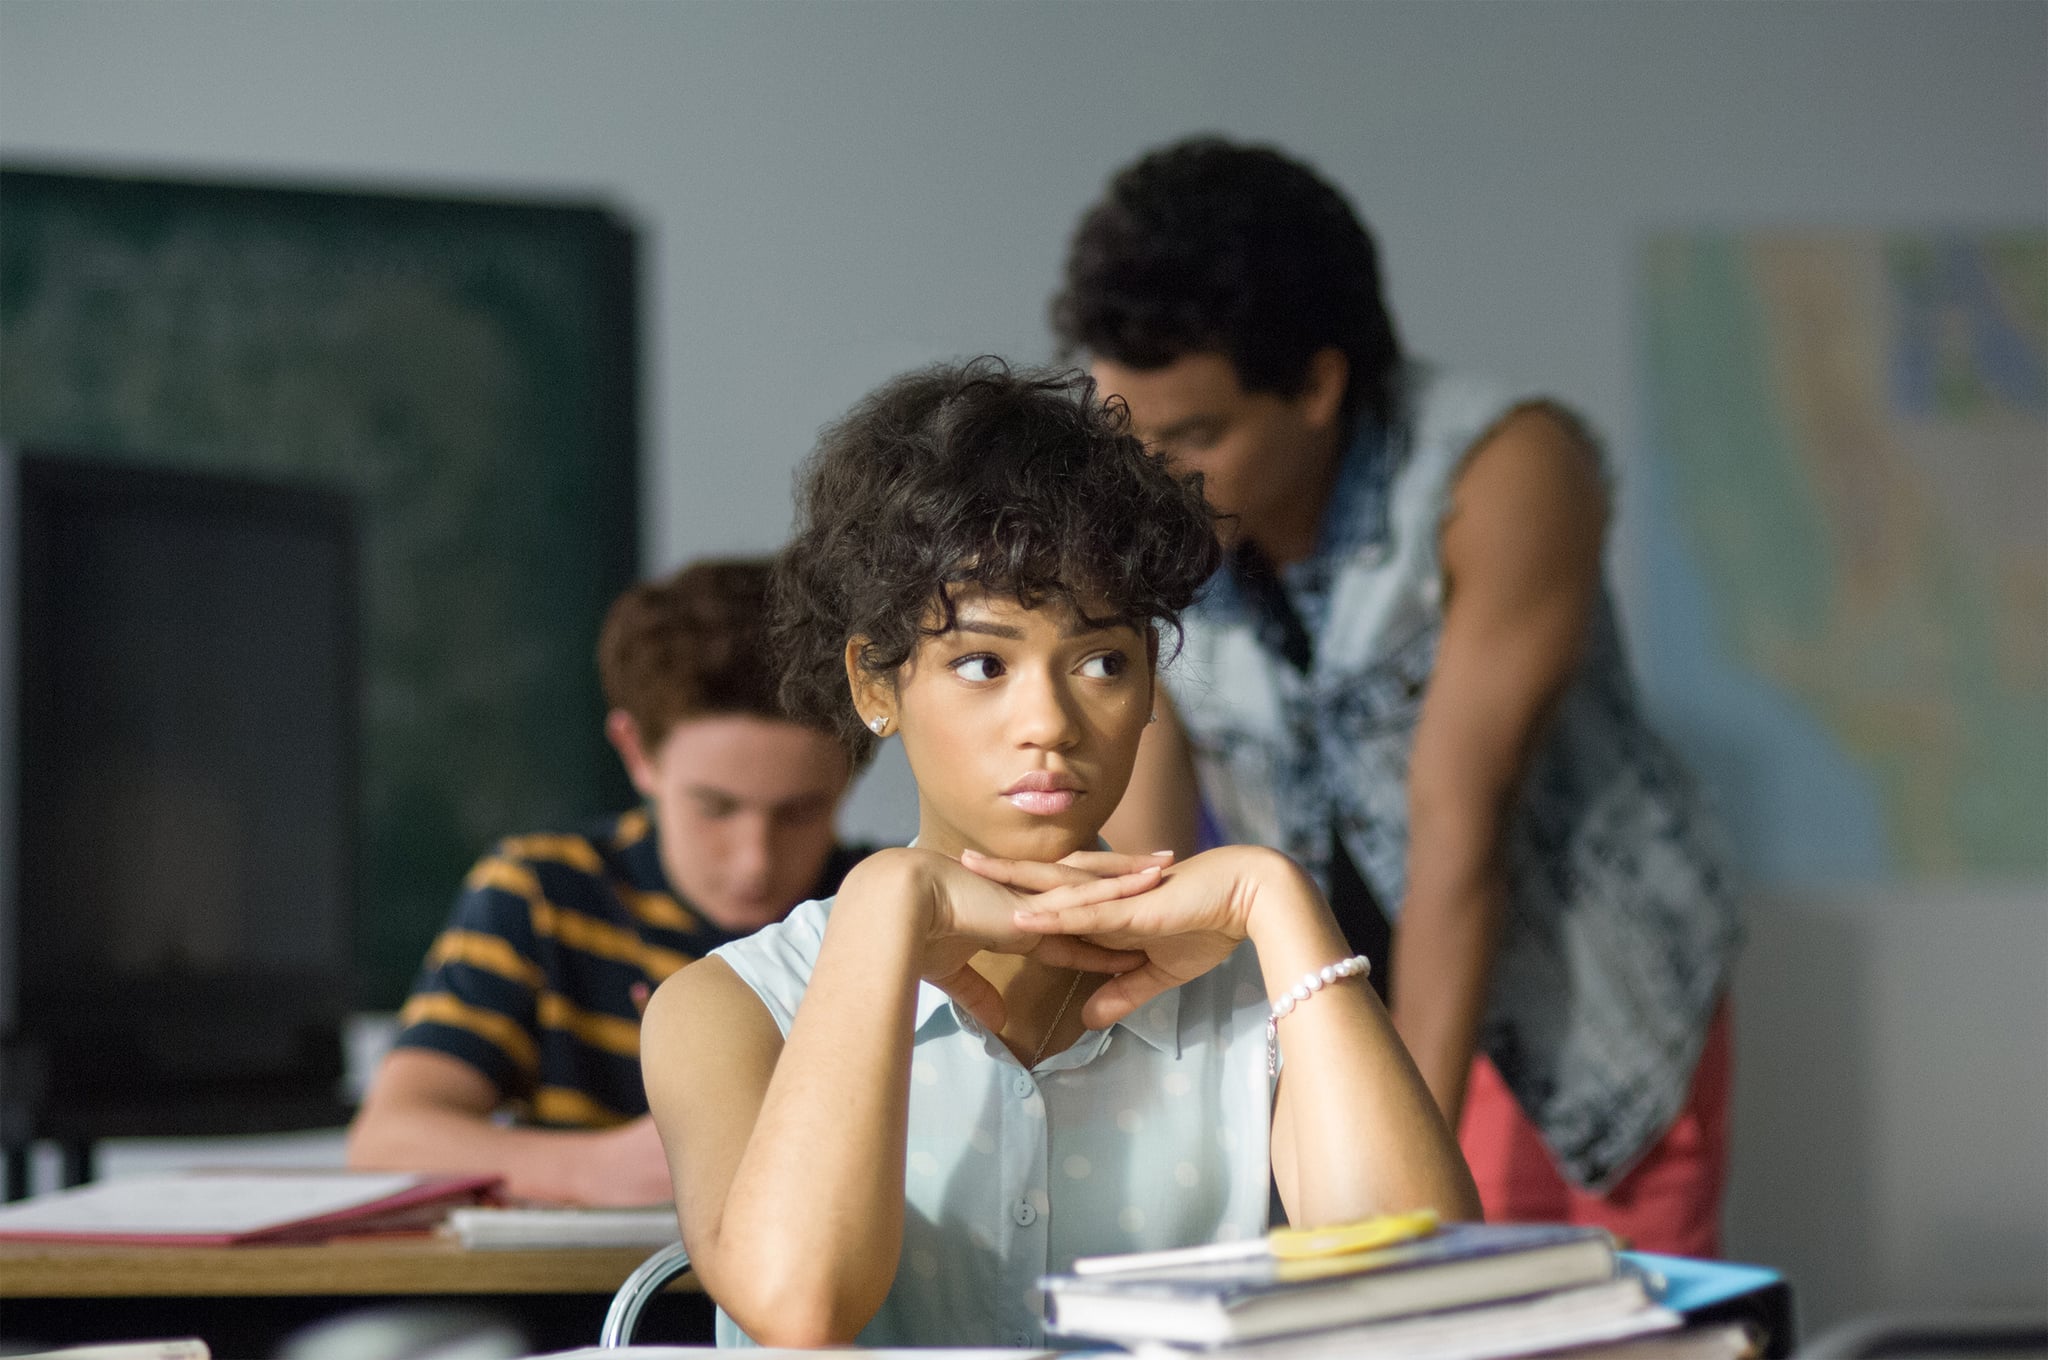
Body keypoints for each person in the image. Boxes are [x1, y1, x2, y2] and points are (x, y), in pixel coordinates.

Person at [641, 360, 1478, 1349]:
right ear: (875, 683)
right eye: (982, 662)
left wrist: (1274, 894)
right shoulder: (726, 1008)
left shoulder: (1266, 994)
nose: (1048, 722)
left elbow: (1426, 1307)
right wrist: (881, 907)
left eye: (1101, 661)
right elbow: (799, 1308)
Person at [1051, 136, 1741, 1255]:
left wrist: (1398, 1171)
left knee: (1553, 1317)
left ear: (1317, 385)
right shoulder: (1152, 514)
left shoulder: (1505, 468)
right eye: (1129, 431)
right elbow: (1143, 840)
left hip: (1571, 1020)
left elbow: (1456, 829)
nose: (1151, 475)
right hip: (1338, 999)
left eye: (1196, 435)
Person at [348, 557, 869, 1205]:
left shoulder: (890, 916)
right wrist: (590, 1169)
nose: (753, 862)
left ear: (849, 769)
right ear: (636, 753)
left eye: (799, 812)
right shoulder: (543, 897)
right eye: (714, 807)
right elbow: (387, 1138)